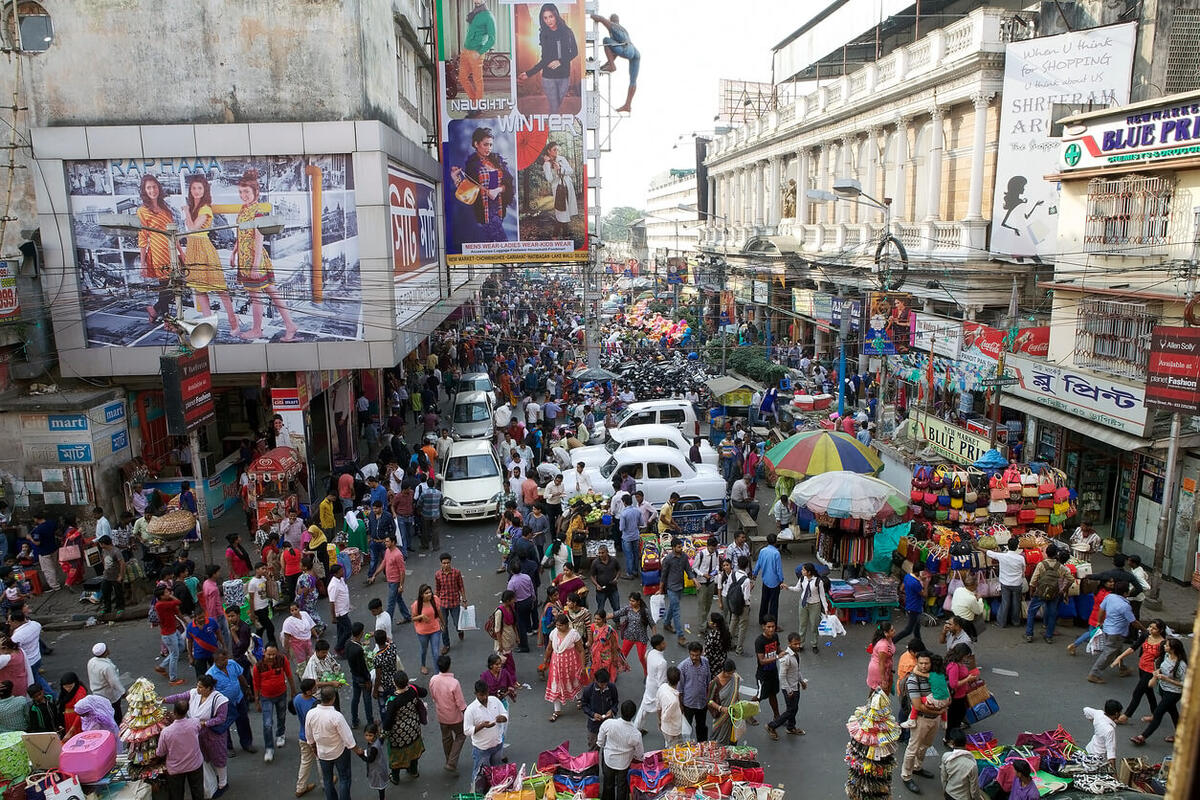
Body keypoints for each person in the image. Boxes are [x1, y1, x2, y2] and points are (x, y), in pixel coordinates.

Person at [232, 169, 298, 341]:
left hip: (255, 260)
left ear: (256, 192)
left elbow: (259, 240)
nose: (243, 195)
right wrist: (233, 253)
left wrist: (254, 266)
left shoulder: (258, 212)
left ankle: (256, 330)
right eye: (240, 192)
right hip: (245, 259)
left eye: (246, 192)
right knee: (272, 293)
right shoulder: (243, 210)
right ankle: (290, 325)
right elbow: (240, 235)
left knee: (256, 297)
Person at [163, 676, 231, 798]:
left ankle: (223, 783)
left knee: (218, 757)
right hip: (198, 732)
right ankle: (213, 779)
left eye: (200, 687)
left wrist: (205, 723)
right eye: (197, 685)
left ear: (209, 688)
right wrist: (164, 700)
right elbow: (179, 697)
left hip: (213, 734)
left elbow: (221, 718)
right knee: (205, 756)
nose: (197, 688)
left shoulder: (220, 700)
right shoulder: (195, 693)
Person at [449, 127, 515, 244]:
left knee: (501, 248)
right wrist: (455, 179)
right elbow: (468, 190)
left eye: (490, 145)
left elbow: (508, 185)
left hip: (498, 213)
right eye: (485, 144)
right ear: (476, 144)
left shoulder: (497, 161)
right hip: (483, 215)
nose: (489, 148)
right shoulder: (472, 165)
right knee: (500, 246)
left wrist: (497, 190)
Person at [306, 687, 364, 800]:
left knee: (327, 780)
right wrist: (357, 750)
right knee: (344, 778)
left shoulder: (311, 714)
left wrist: (314, 749)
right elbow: (348, 738)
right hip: (339, 752)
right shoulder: (336, 716)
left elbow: (309, 736)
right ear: (333, 699)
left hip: (322, 752)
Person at [1130, 636, 1187, 746]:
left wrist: (1167, 679)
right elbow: (1161, 667)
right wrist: (1157, 674)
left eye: (1167, 645)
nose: (1164, 646)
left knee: (1158, 713)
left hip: (1173, 693)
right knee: (1173, 712)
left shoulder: (1181, 665)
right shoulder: (1167, 655)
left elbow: (1184, 684)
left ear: (1173, 649)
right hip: (1163, 689)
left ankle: (1142, 736)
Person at [136, 173, 175, 322]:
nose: (152, 190)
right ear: (144, 191)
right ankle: (167, 321)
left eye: (154, 186)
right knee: (165, 286)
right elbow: (143, 237)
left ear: (159, 187)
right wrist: (143, 262)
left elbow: (172, 232)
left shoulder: (165, 208)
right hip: (158, 251)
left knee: (176, 285)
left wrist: (181, 254)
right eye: (149, 188)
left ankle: (155, 309)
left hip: (171, 249)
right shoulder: (142, 211)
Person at [1114, 619, 1167, 724]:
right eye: (1150, 627)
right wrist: (1120, 657)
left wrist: (1155, 676)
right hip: (1142, 667)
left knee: (1138, 692)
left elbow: (1162, 661)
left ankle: (1126, 716)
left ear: (1160, 630)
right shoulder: (1145, 636)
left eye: (1154, 628)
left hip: (1151, 671)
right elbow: (1134, 647)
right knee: (1148, 692)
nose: (1151, 630)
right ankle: (1155, 713)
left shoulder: (1163, 643)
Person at [899, 652, 939, 794]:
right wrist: (939, 711)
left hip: (935, 719)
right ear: (917, 663)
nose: (923, 666)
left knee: (925, 746)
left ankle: (917, 767)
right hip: (921, 719)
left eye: (926, 663)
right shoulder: (913, 680)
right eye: (921, 663)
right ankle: (906, 776)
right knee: (912, 748)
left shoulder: (933, 676)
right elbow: (917, 705)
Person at [207, 650, 256, 755]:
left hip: (239, 698)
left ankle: (247, 743)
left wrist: (247, 688)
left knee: (244, 721)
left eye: (226, 659)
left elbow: (240, 676)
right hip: (224, 704)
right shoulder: (211, 674)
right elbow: (210, 692)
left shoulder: (232, 664)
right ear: (215, 661)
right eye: (222, 660)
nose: (225, 662)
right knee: (225, 725)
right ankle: (228, 747)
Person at [253, 644, 296, 763]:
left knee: (281, 716)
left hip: (281, 694)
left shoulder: (282, 660)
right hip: (266, 698)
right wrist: (257, 701)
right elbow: (256, 685)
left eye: (274, 654)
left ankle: (280, 734)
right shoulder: (258, 667)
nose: (271, 657)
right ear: (264, 653)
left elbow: (289, 674)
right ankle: (269, 748)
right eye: (269, 654)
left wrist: (293, 690)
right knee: (267, 724)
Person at [381, 672, 427, 780]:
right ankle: (414, 771)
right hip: (414, 727)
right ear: (407, 681)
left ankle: (395, 777)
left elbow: (388, 721)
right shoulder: (413, 689)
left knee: (397, 755)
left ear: (394, 683)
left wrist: (383, 733)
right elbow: (424, 692)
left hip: (398, 734)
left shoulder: (393, 701)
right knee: (413, 750)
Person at [464, 679, 507, 793]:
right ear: (476, 694)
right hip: (482, 749)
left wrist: (502, 718)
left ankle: (494, 791)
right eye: (481, 695)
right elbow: (467, 731)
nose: (484, 697)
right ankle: (475, 792)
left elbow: (504, 714)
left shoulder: (495, 701)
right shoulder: (470, 710)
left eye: (486, 694)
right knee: (479, 773)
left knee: (496, 771)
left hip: (497, 744)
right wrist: (482, 726)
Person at [591, 13, 640, 113]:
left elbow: (602, 19)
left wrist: (593, 16)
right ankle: (627, 105)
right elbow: (615, 53)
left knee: (606, 40)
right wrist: (605, 65)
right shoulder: (622, 29)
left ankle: (612, 67)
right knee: (633, 81)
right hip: (635, 52)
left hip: (628, 49)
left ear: (611, 20)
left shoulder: (613, 27)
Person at [157, 699, 205, 800]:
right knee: (198, 791)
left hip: (176, 768)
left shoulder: (166, 732)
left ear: (174, 712)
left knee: (176, 794)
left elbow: (160, 752)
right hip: (195, 764)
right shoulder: (195, 723)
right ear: (187, 711)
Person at [1088, 583, 1136, 684]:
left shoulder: (1109, 597)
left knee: (1117, 650)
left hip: (1108, 628)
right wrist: (1144, 630)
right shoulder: (1125, 606)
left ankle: (1122, 668)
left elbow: (1101, 609)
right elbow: (1133, 621)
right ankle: (1094, 674)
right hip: (1117, 633)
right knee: (1109, 653)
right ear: (1125, 593)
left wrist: (1100, 621)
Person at [427, 655, 467, 774]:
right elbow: (460, 702)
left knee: (446, 738)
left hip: (441, 715)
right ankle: (452, 761)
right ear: (449, 666)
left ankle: (449, 760)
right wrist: (467, 712)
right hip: (455, 717)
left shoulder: (433, 680)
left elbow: (433, 696)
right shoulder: (454, 683)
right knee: (460, 735)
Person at [597, 700, 642, 800]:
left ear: (621, 711)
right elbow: (639, 754)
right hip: (624, 763)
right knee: (622, 786)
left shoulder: (608, 723)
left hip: (609, 759)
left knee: (608, 784)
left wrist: (602, 745)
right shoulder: (636, 734)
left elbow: (600, 741)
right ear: (633, 714)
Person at [1025, 545, 1071, 644]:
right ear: (1056, 554)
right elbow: (1070, 579)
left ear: (1046, 553)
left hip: (1040, 592)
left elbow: (1033, 580)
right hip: (1054, 594)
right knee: (1052, 614)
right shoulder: (1061, 567)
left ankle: (1029, 634)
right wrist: (1063, 590)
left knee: (1031, 612)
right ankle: (1049, 636)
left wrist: (1032, 592)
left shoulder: (1041, 565)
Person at [544, 614, 585, 722]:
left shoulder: (574, 634)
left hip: (571, 664)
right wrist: (545, 660)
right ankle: (557, 710)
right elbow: (549, 648)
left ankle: (579, 698)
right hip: (556, 665)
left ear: (567, 624)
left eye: (560, 625)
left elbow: (581, 650)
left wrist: (583, 666)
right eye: (557, 625)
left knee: (574, 681)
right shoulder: (553, 633)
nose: (558, 627)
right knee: (556, 685)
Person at [457, 0, 496, 107]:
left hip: (476, 53)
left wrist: (479, 52)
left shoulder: (488, 16)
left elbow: (492, 39)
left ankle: (478, 106)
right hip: (465, 51)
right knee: (462, 77)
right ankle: (474, 101)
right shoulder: (475, 12)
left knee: (477, 80)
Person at [787, 563, 830, 653]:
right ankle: (801, 644)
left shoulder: (818, 581)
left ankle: (814, 644)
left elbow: (822, 596)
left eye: (803, 570)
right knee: (802, 625)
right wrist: (788, 588)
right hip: (803, 604)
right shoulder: (802, 579)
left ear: (809, 572)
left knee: (814, 625)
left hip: (815, 605)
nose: (801, 572)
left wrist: (826, 608)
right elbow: (797, 588)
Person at [659, 538, 694, 648]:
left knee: (673, 607)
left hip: (680, 587)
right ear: (673, 548)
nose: (681, 548)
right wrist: (661, 589)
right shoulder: (668, 559)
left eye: (681, 546)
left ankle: (666, 623)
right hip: (671, 588)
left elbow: (688, 569)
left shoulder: (684, 556)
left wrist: (694, 579)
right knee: (677, 612)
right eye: (678, 547)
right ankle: (681, 636)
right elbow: (663, 575)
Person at [986, 539, 1027, 628]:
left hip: (1005, 584)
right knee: (1016, 603)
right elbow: (1024, 570)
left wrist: (977, 547)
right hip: (1017, 584)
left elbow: (989, 553)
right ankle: (1016, 622)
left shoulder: (1002, 556)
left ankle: (1001, 623)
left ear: (1008, 546)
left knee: (1005, 603)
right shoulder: (1021, 558)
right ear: (1017, 547)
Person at [719, 556, 754, 656]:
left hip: (733, 603)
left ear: (737, 564)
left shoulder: (732, 575)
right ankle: (739, 649)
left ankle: (729, 644)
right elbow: (746, 596)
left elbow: (729, 588)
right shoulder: (746, 580)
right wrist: (750, 588)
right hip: (743, 606)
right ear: (747, 566)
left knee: (733, 623)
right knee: (742, 626)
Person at [677, 641, 711, 743]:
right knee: (686, 729)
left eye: (697, 655)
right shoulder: (683, 666)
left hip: (702, 703)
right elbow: (680, 688)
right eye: (692, 655)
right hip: (688, 704)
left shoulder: (705, 662)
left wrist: (708, 699)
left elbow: (708, 681)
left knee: (701, 726)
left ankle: (702, 746)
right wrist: (681, 705)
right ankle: (686, 747)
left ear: (701, 653)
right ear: (689, 653)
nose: (694, 657)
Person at [613, 593, 654, 674]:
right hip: (628, 636)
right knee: (622, 655)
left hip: (641, 638)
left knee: (642, 658)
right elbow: (616, 614)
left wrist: (655, 637)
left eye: (633, 601)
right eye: (630, 601)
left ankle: (647, 673)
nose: (631, 603)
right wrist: (603, 617)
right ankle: (615, 671)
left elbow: (652, 624)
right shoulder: (628, 609)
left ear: (638, 602)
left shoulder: (645, 611)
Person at [580, 667, 619, 750]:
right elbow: (584, 705)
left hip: (609, 724)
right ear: (596, 681)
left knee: (609, 748)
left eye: (606, 683)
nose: (604, 686)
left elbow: (615, 702)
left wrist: (612, 711)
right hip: (594, 726)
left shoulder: (612, 687)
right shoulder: (588, 690)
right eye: (602, 684)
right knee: (593, 749)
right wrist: (592, 714)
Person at [344, 624, 374, 730]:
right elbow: (363, 667)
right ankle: (370, 722)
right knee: (367, 700)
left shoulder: (348, 643)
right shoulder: (358, 650)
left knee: (355, 698)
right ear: (361, 633)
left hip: (354, 675)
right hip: (362, 678)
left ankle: (354, 720)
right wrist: (367, 680)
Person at [434, 553, 467, 650]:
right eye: (444, 563)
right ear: (441, 563)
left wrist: (464, 600)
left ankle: (460, 631)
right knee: (443, 625)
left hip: (455, 602)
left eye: (448, 563)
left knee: (457, 624)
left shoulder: (456, 573)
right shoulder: (438, 575)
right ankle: (446, 645)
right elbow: (437, 589)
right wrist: (435, 603)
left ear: (450, 563)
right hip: (443, 603)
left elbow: (461, 586)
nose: (446, 565)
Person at [706, 658, 741, 745]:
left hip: (733, 713)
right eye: (729, 673)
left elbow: (736, 692)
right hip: (721, 715)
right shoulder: (715, 682)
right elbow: (709, 701)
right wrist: (720, 708)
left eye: (732, 672)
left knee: (732, 737)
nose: (731, 675)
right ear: (723, 671)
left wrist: (740, 703)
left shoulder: (735, 677)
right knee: (717, 738)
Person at [940, 728, 983, 800]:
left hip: (949, 793)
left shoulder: (946, 756)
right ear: (966, 743)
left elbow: (943, 777)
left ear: (951, 742)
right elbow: (974, 788)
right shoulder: (972, 765)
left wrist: (945, 791)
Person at [86, 642, 125, 721]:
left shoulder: (91, 661)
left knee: (105, 715)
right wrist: (123, 692)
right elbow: (114, 682)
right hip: (109, 696)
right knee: (116, 715)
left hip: (97, 694)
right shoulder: (107, 667)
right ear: (105, 652)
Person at [411, 584, 445, 675]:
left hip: (435, 629)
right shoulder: (416, 604)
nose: (429, 594)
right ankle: (423, 665)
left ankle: (437, 673)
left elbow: (438, 611)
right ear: (422, 595)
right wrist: (421, 616)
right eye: (426, 593)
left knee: (435, 652)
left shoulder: (435, 599)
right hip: (422, 632)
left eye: (430, 592)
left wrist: (443, 623)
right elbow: (413, 618)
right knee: (424, 649)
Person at [753, 534, 783, 624]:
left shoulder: (763, 551)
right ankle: (773, 624)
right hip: (775, 582)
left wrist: (755, 573)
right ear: (776, 541)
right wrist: (781, 580)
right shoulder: (776, 553)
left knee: (764, 601)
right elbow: (778, 569)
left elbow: (758, 563)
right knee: (773, 604)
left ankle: (762, 620)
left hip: (765, 580)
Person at [692, 537, 721, 631]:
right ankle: (702, 626)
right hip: (702, 582)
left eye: (715, 548)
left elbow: (717, 565)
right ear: (708, 546)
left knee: (708, 604)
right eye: (712, 548)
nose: (713, 550)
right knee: (702, 605)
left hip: (711, 581)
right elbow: (694, 568)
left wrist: (715, 571)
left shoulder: (715, 553)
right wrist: (702, 574)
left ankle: (704, 622)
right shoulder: (700, 554)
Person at [1083, 700, 1122, 768]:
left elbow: (1086, 710)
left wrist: (1095, 724)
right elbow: (1111, 756)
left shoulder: (1099, 714)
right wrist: (1115, 775)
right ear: (1116, 714)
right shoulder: (1109, 730)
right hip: (1097, 760)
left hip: (1088, 750)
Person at [247, 562, 276, 647]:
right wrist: (252, 613)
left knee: (261, 628)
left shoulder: (263, 578)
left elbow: (271, 586)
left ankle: (255, 644)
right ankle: (272, 645)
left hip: (265, 605)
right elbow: (251, 599)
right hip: (259, 609)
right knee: (270, 627)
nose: (264, 570)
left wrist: (267, 576)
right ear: (256, 570)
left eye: (265, 568)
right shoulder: (252, 583)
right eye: (262, 569)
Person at [948, 574, 985, 640]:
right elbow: (979, 611)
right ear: (973, 586)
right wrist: (980, 599)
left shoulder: (958, 590)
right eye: (976, 584)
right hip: (966, 622)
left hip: (954, 616)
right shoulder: (971, 598)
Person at [326, 564, 352, 656]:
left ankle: (341, 647)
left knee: (341, 630)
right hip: (340, 612)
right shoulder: (333, 585)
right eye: (341, 571)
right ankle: (338, 647)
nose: (343, 572)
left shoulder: (341, 580)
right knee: (348, 630)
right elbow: (332, 602)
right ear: (336, 573)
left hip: (344, 609)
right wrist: (333, 616)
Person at [97, 536, 126, 614]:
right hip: (107, 575)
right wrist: (105, 569)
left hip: (116, 575)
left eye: (100, 544)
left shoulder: (116, 551)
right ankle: (107, 608)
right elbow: (103, 559)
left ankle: (120, 607)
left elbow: (122, 563)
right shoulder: (104, 550)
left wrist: (121, 575)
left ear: (103, 544)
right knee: (105, 591)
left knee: (118, 592)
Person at [866, 622, 895, 694]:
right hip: (879, 671)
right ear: (885, 633)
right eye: (892, 630)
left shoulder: (889, 639)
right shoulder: (883, 646)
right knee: (880, 694)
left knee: (876, 693)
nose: (894, 631)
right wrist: (883, 680)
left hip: (884, 669)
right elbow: (881, 663)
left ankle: (870, 704)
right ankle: (871, 705)